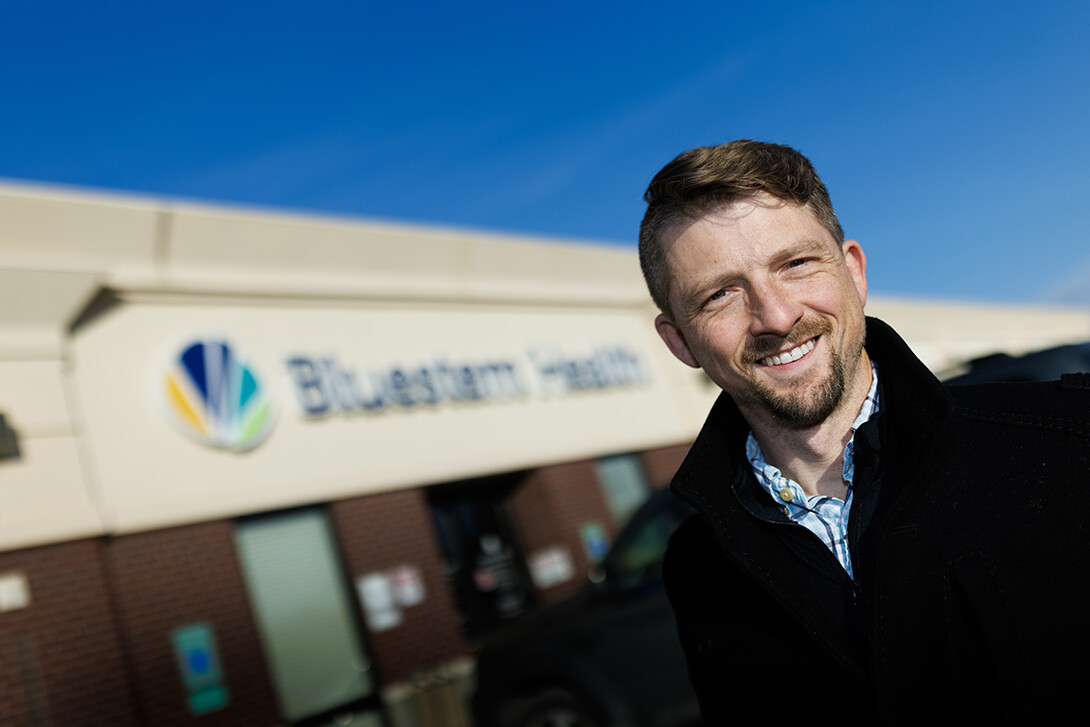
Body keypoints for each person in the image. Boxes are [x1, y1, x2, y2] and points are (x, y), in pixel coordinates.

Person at [639, 140, 1090, 723]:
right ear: (679, 342)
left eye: (795, 263)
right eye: (720, 295)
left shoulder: (1067, 441)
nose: (775, 317)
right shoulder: (698, 569)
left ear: (852, 270)